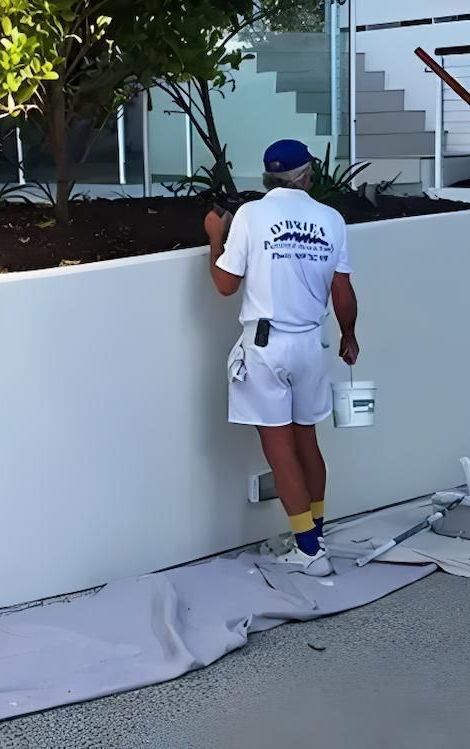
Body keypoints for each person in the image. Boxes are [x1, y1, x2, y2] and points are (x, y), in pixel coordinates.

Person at [203, 139, 359, 577]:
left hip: (267, 346)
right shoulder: (331, 219)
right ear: (307, 175)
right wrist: (349, 337)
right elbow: (342, 291)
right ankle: (315, 534)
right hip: (313, 343)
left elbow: (225, 284)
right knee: (306, 439)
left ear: (268, 177)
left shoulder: (252, 215)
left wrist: (216, 238)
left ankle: (309, 552)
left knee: (279, 447)